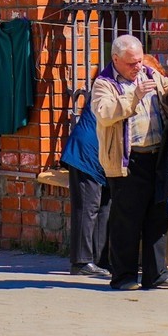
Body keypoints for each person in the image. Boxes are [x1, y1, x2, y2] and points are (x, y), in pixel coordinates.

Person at [91, 34, 168, 290]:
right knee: (126, 222)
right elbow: (105, 113)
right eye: (131, 64)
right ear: (116, 59)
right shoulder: (104, 84)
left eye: (140, 61)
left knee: (157, 218)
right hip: (127, 162)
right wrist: (134, 96)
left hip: (155, 157)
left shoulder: (149, 74)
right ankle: (123, 277)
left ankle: (157, 274)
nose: (137, 67)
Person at [60, 95, 111, 277]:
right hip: (86, 154)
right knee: (87, 208)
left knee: (104, 207)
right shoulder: (110, 85)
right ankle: (81, 262)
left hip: (102, 156)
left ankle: (100, 260)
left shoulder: (122, 83)